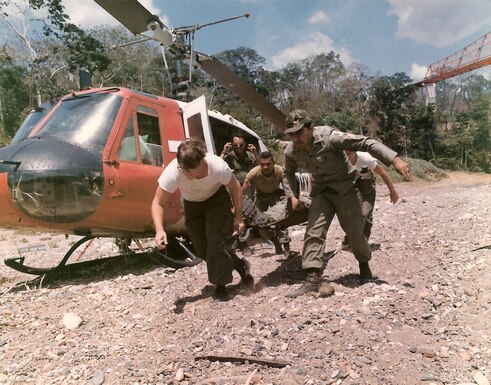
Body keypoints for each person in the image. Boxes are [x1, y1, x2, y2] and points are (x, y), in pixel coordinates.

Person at [283, 109, 411, 298]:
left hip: (345, 189)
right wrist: (292, 196)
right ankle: (312, 279)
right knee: (313, 232)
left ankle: (364, 266)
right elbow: (288, 173)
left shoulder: (331, 138)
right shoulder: (291, 150)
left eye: (300, 133)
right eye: (291, 135)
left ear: (311, 128)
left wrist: (394, 159)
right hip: (321, 191)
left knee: (355, 233)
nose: (296, 139)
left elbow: (365, 143)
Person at [151, 138, 254, 300]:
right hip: (192, 204)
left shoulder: (218, 167)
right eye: (182, 168)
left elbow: (235, 188)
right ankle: (241, 266)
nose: (184, 173)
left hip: (217, 200)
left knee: (215, 243)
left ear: (201, 162)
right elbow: (157, 202)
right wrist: (159, 230)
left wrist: (239, 217)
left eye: (188, 170)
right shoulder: (174, 171)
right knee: (201, 249)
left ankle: (220, 285)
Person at [342, 150, 399, 248]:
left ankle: (363, 241)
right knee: (353, 214)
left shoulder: (365, 158)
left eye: (349, 154)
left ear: (355, 152)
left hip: (367, 185)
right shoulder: (340, 160)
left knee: (365, 214)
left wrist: (393, 191)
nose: (347, 157)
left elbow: (382, 172)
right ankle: (349, 239)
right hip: (352, 187)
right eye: (345, 154)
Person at [241, 151, 293, 254]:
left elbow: (289, 186)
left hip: (275, 195)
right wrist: (237, 205)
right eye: (262, 164)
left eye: (268, 164)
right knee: (260, 223)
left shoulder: (279, 171)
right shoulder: (254, 172)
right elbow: (243, 190)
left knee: (281, 221)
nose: (265, 167)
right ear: (259, 163)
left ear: (273, 163)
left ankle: (286, 245)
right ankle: (275, 242)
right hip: (260, 196)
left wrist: (292, 200)